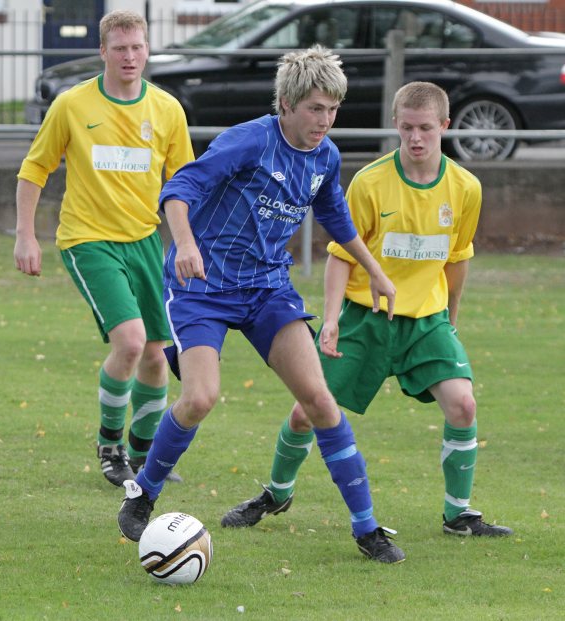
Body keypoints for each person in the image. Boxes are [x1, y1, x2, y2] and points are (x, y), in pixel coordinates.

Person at [118, 46, 405, 563]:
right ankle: (143, 491)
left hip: (267, 289)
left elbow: (335, 217)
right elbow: (179, 188)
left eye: (333, 109)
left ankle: (367, 528)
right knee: (201, 396)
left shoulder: (326, 156)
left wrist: (378, 271)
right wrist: (184, 244)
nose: (325, 120)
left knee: (320, 400)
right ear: (288, 104)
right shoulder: (249, 140)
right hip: (202, 286)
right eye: (316, 108)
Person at [221, 81, 513, 554]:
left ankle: (458, 514)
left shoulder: (465, 188)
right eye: (406, 128)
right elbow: (341, 255)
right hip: (364, 318)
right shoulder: (371, 182)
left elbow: (457, 260)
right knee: (306, 411)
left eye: (425, 129)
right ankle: (275, 494)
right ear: (395, 126)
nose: (415, 138)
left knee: (464, 404)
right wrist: (331, 318)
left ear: (445, 126)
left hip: (426, 321)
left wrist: (450, 320)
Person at [14, 9, 193, 487]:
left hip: (144, 242)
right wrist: (25, 234)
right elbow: (35, 169)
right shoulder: (73, 105)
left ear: (147, 49)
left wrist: (187, 244)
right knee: (131, 342)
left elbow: (181, 184)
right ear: (103, 52)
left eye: (137, 47)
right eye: (120, 48)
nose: (130, 56)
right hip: (88, 240)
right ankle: (109, 445)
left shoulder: (167, 109)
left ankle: (141, 455)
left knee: (158, 356)